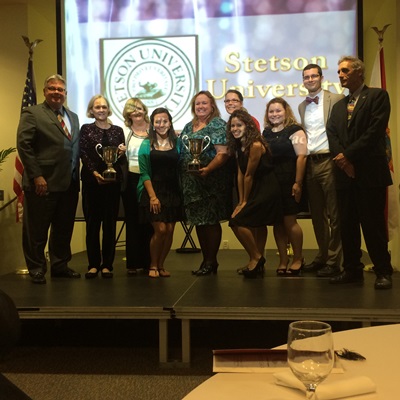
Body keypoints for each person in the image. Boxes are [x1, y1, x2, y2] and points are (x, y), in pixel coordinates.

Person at [326, 56, 393, 290]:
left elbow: (375, 131)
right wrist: (343, 161)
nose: (340, 75)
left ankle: (383, 271)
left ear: (359, 72)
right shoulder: (337, 107)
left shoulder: (377, 96)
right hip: (344, 175)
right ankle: (352, 270)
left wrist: (349, 156)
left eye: (345, 71)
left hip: (369, 174)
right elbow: (332, 136)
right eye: (338, 72)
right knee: (347, 225)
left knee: (373, 225)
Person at [17, 74, 81, 284]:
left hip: (68, 183)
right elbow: (24, 146)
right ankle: (36, 267)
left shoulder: (73, 117)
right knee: (37, 230)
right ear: (45, 91)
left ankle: (60, 265)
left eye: (60, 89)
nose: (56, 92)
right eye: (52, 88)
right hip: (42, 183)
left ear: (65, 94)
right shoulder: (32, 113)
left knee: (63, 229)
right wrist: (37, 176)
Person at [179, 90, 233, 276]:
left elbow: (223, 153)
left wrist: (208, 169)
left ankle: (211, 261)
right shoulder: (188, 126)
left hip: (210, 181)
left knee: (209, 221)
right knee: (199, 222)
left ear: (212, 106)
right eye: (197, 104)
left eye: (204, 103)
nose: (200, 107)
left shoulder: (217, 124)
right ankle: (206, 260)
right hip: (190, 183)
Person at [298, 64, 344, 277]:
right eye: (306, 77)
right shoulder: (301, 106)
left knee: (335, 214)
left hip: (329, 160)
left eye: (313, 76)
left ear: (322, 77)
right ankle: (323, 255)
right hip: (310, 162)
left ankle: (335, 260)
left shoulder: (335, 99)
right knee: (317, 215)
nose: (310, 79)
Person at [227, 110, 282, 278]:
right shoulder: (238, 144)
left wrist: (243, 202)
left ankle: (256, 257)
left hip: (266, 188)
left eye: (239, 125)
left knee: (236, 221)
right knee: (257, 224)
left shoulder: (255, 145)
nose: (235, 129)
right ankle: (257, 259)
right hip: (253, 187)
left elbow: (249, 175)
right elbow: (240, 173)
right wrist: (241, 198)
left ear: (248, 126)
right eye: (232, 126)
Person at [79, 95, 126, 279]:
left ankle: (107, 265)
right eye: (97, 107)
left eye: (104, 107)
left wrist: (121, 153)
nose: (101, 110)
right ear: (92, 110)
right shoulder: (86, 129)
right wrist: (94, 173)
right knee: (92, 225)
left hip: (112, 184)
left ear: (108, 109)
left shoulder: (118, 130)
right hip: (92, 183)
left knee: (109, 225)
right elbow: (83, 153)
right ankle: (93, 264)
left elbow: (116, 158)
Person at [262, 98, 307, 276]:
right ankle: (283, 259)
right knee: (278, 223)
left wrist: (298, 183)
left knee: (290, 222)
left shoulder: (295, 130)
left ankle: (298, 258)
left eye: (278, 111)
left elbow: (301, 157)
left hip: (290, 180)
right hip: (272, 183)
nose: (274, 114)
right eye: (271, 111)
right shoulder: (266, 133)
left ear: (286, 111)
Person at [138, 108, 184, 278]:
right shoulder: (146, 144)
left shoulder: (177, 143)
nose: (161, 124)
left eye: (164, 121)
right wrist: (153, 197)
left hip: (172, 191)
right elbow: (144, 173)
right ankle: (153, 265)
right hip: (153, 191)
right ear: (152, 124)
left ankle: (161, 265)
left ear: (170, 123)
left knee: (170, 231)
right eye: (157, 121)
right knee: (161, 230)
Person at [121, 98, 153, 275]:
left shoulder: (154, 129)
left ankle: (150, 262)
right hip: (131, 179)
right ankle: (133, 262)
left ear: (145, 110)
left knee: (148, 221)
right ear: (127, 113)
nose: (137, 112)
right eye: (133, 109)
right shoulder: (124, 131)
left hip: (149, 178)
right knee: (133, 221)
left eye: (140, 108)